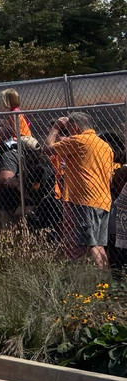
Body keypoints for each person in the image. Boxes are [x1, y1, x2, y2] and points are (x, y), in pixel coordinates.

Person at [46, 113, 115, 269]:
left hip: (86, 199)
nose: (68, 133)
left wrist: (56, 128)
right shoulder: (104, 145)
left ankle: (100, 283)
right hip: (103, 200)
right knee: (99, 245)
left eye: (69, 129)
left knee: (90, 244)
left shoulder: (79, 140)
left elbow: (48, 148)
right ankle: (106, 281)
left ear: (75, 127)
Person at [0, 127, 24, 233]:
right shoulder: (20, 147)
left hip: (6, 200)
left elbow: (2, 178)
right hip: (23, 198)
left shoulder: (1, 152)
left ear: (2, 136)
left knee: (8, 234)